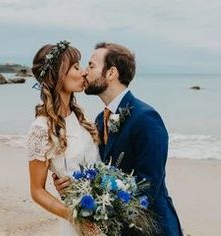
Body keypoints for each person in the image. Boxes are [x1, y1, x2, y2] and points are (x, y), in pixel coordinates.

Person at [54, 42, 183, 235]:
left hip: (153, 230)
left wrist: (100, 206)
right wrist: (73, 185)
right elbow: (98, 172)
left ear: (111, 73)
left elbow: (148, 187)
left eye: (91, 65)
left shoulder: (146, 118)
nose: (85, 72)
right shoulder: (100, 119)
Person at [27, 41, 100, 236]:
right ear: (58, 76)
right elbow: (37, 191)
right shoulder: (40, 129)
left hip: (104, 214)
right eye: (76, 67)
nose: (84, 72)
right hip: (79, 221)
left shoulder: (79, 117)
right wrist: (74, 216)